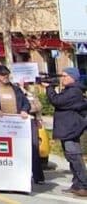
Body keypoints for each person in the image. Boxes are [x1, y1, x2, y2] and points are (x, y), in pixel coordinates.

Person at [47, 67, 87, 195]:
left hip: (71, 129)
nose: (62, 79)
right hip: (68, 128)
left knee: (75, 157)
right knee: (71, 157)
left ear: (72, 78)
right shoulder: (70, 90)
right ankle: (77, 184)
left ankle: (83, 185)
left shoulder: (74, 91)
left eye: (65, 76)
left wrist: (49, 88)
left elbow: (57, 101)